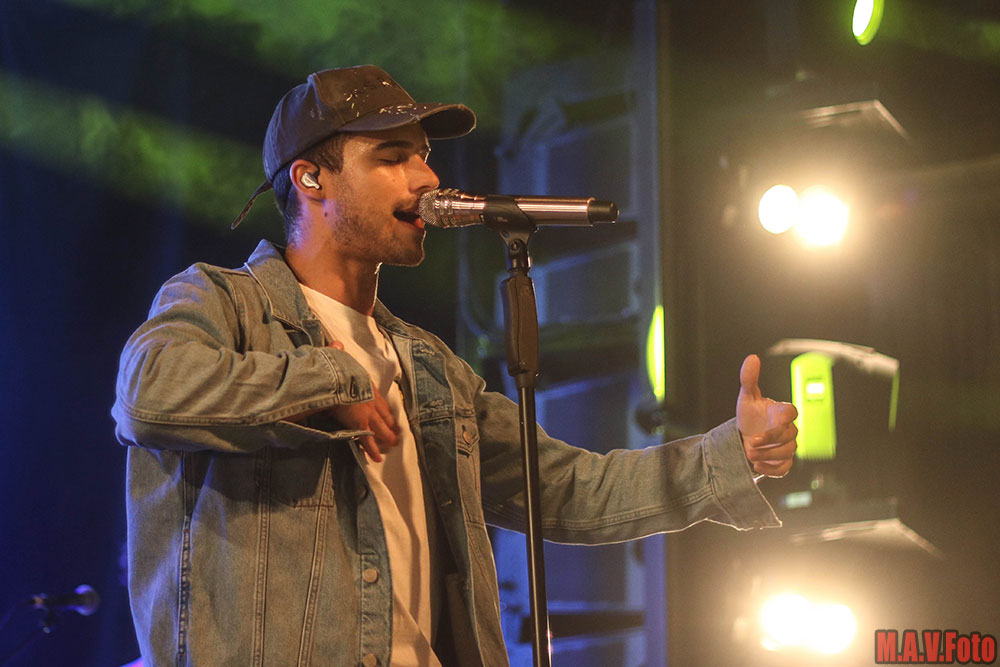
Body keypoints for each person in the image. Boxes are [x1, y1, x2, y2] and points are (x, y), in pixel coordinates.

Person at [113, 64, 797, 667]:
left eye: (424, 156)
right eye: (392, 157)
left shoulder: (428, 368)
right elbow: (148, 394)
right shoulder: (223, 302)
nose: (428, 178)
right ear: (311, 177)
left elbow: (567, 489)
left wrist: (730, 454)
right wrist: (331, 383)